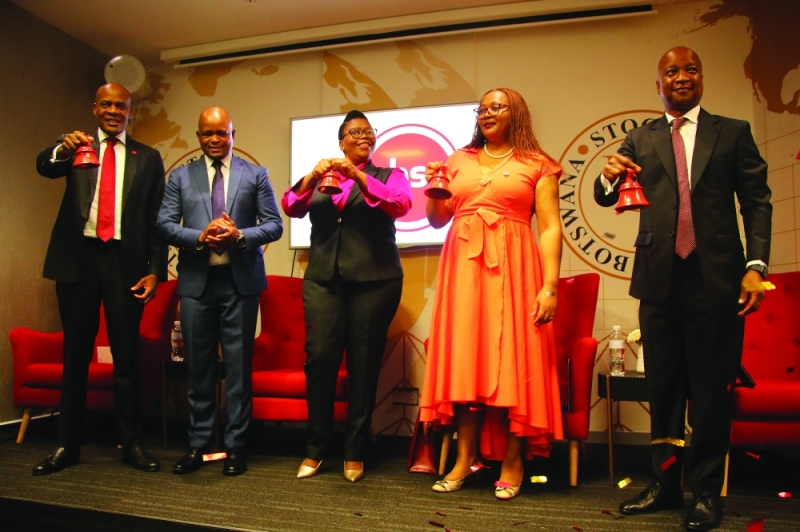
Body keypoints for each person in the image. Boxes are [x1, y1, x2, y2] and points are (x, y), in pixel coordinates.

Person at [595, 47, 771, 531]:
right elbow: (607, 195)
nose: (681, 77)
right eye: (671, 71)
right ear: (658, 86)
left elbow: (757, 203)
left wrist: (756, 266)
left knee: (711, 390)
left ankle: (707, 493)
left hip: (717, 279)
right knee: (665, 388)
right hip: (658, 279)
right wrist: (607, 178)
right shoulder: (641, 137)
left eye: (690, 69)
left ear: (701, 79)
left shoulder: (732, 132)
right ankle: (666, 483)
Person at [419, 88, 564, 500]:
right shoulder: (457, 160)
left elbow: (549, 227)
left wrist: (550, 286)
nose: (487, 113)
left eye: (497, 107)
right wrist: (433, 187)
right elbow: (437, 220)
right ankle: (464, 459)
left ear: (516, 113)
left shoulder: (538, 164)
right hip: (463, 272)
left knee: (515, 361)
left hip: (516, 270)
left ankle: (514, 460)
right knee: (467, 363)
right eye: (482, 109)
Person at [32, 83, 167, 476]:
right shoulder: (76, 147)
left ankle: (132, 444)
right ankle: (67, 446)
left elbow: (156, 219)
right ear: (95, 109)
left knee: (127, 359)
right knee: (75, 357)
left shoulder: (148, 157)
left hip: (125, 263)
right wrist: (63, 148)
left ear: (130, 111)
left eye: (120, 106)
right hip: (78, 261)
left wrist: (156, 270)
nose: (113, 111)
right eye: (106, 104)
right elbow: (44, 166)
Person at [282, 110, 412, 483]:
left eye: (369, 132)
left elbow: (401, 205)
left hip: (375, 281)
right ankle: (316, 448)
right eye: (355, 132)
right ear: (341, 141)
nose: (364, 136)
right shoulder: (322, 177)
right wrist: (311, 176)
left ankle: (355, 451)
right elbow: (291, 206)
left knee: (363, 364)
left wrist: (357, 176)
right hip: (324, 280)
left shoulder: (389, 175)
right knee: (320, 359)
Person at [157, 107, 283, 476]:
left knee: (238, 370)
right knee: (198, 368)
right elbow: (163, 224)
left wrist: (239, 234)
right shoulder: (180, 176)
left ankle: (236, 447)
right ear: (198, 136)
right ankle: (198, 445)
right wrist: (199, 236)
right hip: (197, 285)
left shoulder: (255, 174)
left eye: (221, 133)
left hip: (239, 284)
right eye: (207, 133)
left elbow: (274, 224)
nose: (215, 139)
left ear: (232, 134)